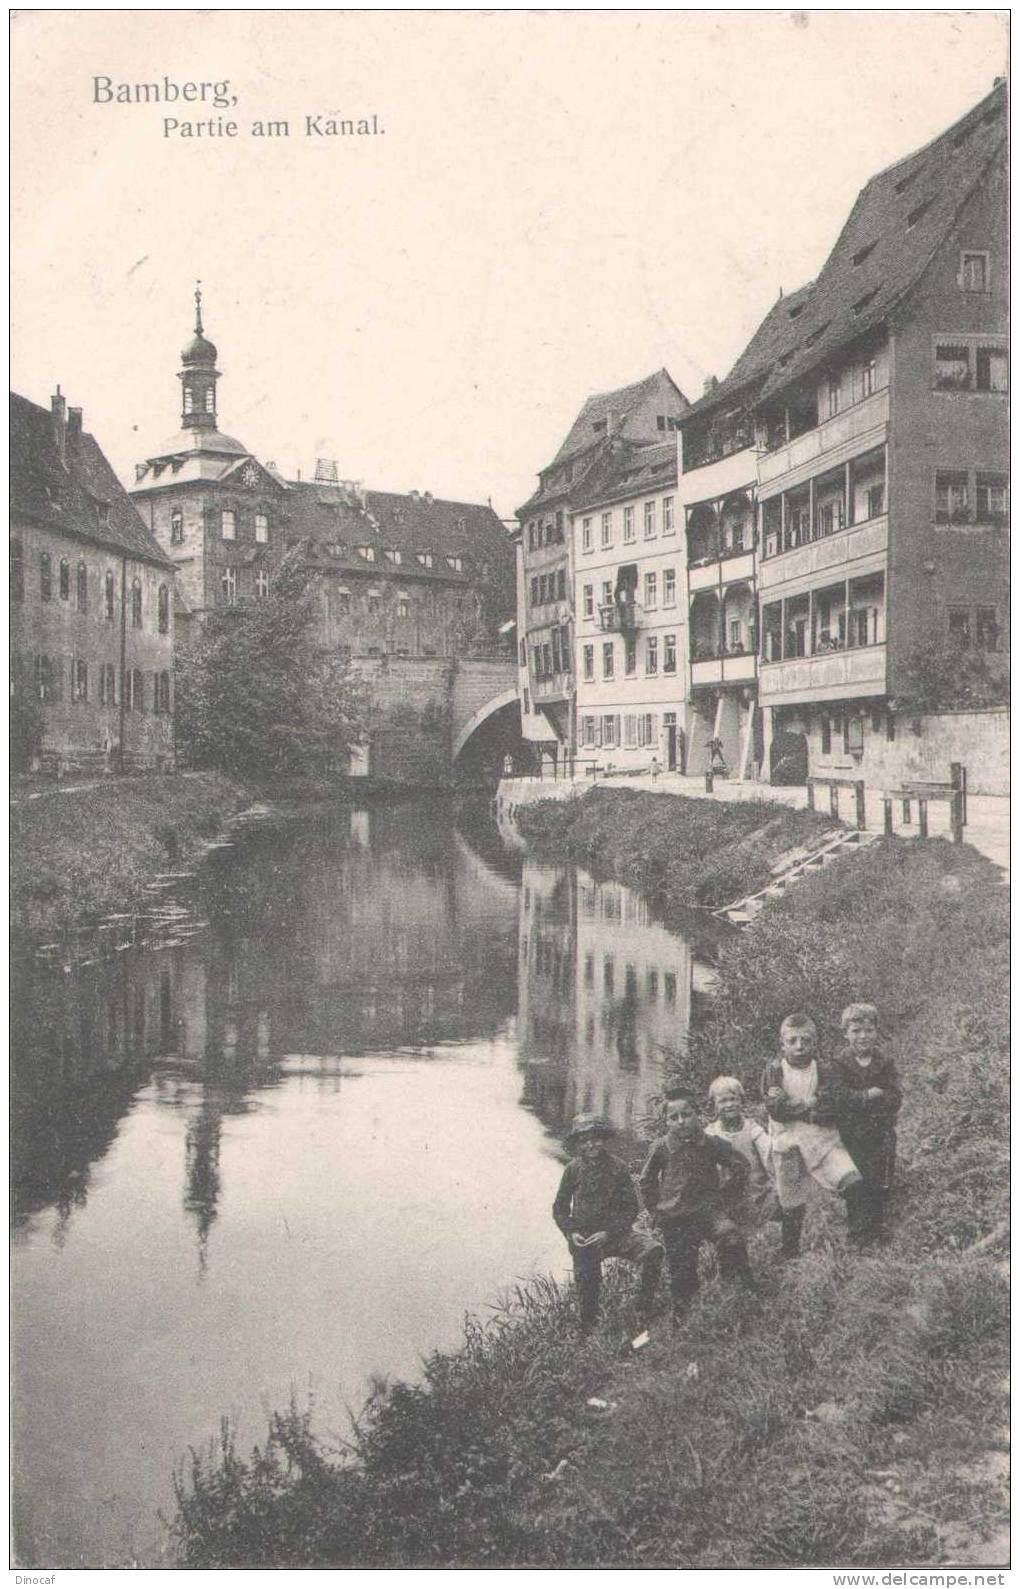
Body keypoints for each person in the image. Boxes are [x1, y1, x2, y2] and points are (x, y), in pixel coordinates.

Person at [639, 1085, 756, 1324]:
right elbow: (646, 1181)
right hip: (676, 1218)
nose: (681, 1121)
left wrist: (726, 1196)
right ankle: (683, 1314)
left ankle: (740, 1291)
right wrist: (656, 1210)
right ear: (666, 1121)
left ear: (697, 1114)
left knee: (731, 1237)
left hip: (708, 1212)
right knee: (682, 1268)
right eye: (674, 1117)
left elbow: (741, 1166)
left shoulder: (710, 1143)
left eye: (686, 1114)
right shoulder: (661, 1147)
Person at [761, 1013, 862, 1258]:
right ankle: (790, 1251)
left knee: (852, 1180)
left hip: (822, 1137)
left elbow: (830, 1106)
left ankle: (858, 1239)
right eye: (792, 1041)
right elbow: (776, 1110)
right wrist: (810, 1102)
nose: (799, 1047)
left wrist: (796, 1105)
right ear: (782, 1043)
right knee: (791, 1200)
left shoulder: (824, 1070)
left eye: (805, 1041)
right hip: (787, 1140)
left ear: (815, 1042)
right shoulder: (775, 1070)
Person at [552, 1114, 664, 1335]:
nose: (591, 1144)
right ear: (578, 1144)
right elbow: (560, 1207)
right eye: (584, 1140)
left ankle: (643, 1307)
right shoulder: (573, 1169)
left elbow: (631, 1208)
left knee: (653, 1250)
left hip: (617, 1234)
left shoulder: (618, 1167)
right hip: (585, 1239)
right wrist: (571, 1232)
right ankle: (588, 1330)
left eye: (596, 1138)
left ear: (603, 1140)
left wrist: (609, 1231)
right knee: (587, 1283)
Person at [832, 1003, 902, 1246]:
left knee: (881, 1179)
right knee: (856, 1183)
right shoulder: (840, 1063)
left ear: (876, 1031)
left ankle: (878, 1227)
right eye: (856, 1031)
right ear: (846, 1033)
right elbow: (839, 1097)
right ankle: (857, 1233)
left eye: (869, 1030)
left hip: (881, 1131)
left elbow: (894, 1096)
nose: (863, 1036)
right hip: (852, 1134)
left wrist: (878, 1103)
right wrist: (867, 1096)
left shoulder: (885, 1062)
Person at [705, 1075, 776, 1228]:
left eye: (733, 1099)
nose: (729, 1105)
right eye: (723, 1101)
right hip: (725, 1197)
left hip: (756, 1195)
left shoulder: (753, 1130)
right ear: (714, 1106)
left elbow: (770, 1157)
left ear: (741, 1101)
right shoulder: (710, 1134)